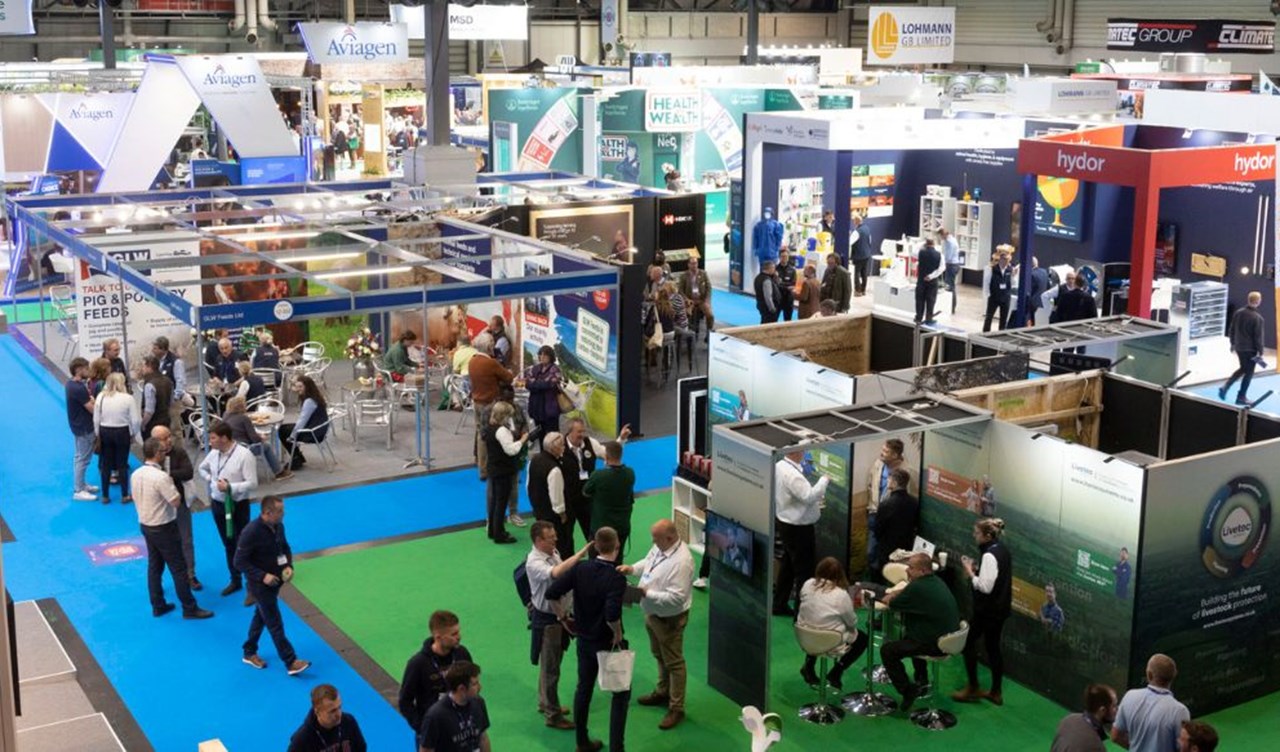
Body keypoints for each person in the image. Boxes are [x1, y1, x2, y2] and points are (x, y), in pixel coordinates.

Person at [546, 527, 629, 752]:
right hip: (607, 644)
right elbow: (612, 614)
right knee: (620, 694)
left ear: (595, 546)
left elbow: (551, 593)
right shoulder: (615, 578)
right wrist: (618, 633)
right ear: (617, 546)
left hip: (584, 641)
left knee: (584, 688)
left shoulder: (580, 569)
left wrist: (562, 617)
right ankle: (617, 749)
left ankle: (582, 742)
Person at [618, 519, 694, 730]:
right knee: (659, 655)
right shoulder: (662, 546)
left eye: (656, 538)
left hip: (669, 619)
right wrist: (632, 568)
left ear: (669, 538)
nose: (653, 541)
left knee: (674, 662)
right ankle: (663, 692)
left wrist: (646, 593)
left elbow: (677, 598)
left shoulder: (682, 562)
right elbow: (649, 561)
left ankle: (676, 707)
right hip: (652, 613)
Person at [128, 438, 214, 620]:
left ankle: (157, 604)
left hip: (146, 524)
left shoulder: (136, 474)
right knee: (179, 568)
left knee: (154, 566)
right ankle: (189, 607)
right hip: (164, 526)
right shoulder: (161, 477)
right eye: (163, 451)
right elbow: (175, 501)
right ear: (158, 454)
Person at [235, 495, 309, 675]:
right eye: (280, 511)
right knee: (275, 623)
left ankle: (249, 651)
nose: (284, 514)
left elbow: (285, 548)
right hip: (260, 585)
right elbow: (239, 562)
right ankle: (290, 661)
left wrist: (288, 566)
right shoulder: (251, 532)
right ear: (267, 513)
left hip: (276, 582)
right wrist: (262, 576)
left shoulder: (278, 526)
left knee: (261, 616)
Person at [879, 552, 961, 711]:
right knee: (910, 634)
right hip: (948, 637)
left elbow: (893, 604)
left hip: (935, 644)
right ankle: (921, 679)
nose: (907, 571)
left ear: (923, 571)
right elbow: (908, 593)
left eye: (911, 568)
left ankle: (907, 690)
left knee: (888, 651)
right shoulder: (935, 581)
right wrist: (898, 593)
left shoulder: (918, 587)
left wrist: (892, 596)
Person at [526, 521, 587, 731]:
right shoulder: (534, 562)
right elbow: (556, 574)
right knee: (551, 669)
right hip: (549, 620)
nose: (556, 539)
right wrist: (580, 555)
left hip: (557, 617)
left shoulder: (552, 551)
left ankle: (545, 702)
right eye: (551, 537)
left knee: (549, 664)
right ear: (538, 540)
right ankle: (553, 714)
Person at [953, 517, 1013, 706]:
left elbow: (985, 587)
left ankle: (973, 687)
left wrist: (970, 572)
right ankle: (996, 692)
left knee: (968, 642)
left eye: (977, 533)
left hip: (987, 611)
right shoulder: (1002, 550)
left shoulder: (988, 555)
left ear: (987, 535)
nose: (974, 536)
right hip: (1000, 610)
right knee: (993, 648)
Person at [199, 422, 259, 597]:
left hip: (238, 505)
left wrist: (231, 487)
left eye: (213, 438)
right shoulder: (214, 453)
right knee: (228, 543)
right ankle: (235, 579)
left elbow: (253, 484)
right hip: (218, 505)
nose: (210, 442)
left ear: (224, 438)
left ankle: (252, 585)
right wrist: (211, 479)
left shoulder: (244, 455)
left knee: (244, 545)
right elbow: (201, 468)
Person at [773, 448, 829, 616]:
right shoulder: (793, 475)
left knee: (788, 565)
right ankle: (801, 613)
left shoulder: (779, 466)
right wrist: (824, 480)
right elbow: (809, 496)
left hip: (786, 523)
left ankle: (779, 604)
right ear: (797, 453)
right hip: (799, 528)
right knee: (804, 572)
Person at [797, 557, 867, 691]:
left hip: (804, 636)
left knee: (815, 623)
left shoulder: (808, 583)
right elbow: (852, 622)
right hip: (829, 641)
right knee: (862, 639)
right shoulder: (841, 595)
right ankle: (836, 671)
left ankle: (809, 665)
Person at [399, 610, 474, 736]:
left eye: (458, 632)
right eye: (454, 634)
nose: (459, 636)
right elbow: (405, 701)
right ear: (438, 637)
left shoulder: (462, 654)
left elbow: (472, 685)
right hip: (434, 732)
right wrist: (422, 727)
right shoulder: (418, 663)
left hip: (461, 728)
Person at [561, 419, 631, 543]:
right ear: (569, 432)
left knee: (592, 535)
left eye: (583, 431)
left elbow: (609, 454)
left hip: (588, 498)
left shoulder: (590, 443)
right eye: (579, 431)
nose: (582, 434)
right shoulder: (560, 446)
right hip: (568, 499)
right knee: (566, 536)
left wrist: (621, 439)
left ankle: (595, 558)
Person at [151, 425, 201, 591]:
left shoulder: (178, 451)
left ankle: (190, 574)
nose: (168, 440)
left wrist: (166, 475)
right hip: (159, 506)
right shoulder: (151, 454)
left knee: (186, 540)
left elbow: (188, 472)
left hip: (178, 502)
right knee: (160, 546)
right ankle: (160, 580)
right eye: (163, 438)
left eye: (169, 436)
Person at [1111, 654, 1190, 752]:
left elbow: (1115, 736)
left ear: (1149, 674)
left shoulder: (1129, 696)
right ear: (1174, 675)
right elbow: (1185, 748)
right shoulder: (1180, 711)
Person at [468, 333, 514, 480]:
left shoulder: (472, 361)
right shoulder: (491, 363)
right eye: (492, 344)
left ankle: (478, 461)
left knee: (479, 432)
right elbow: (508, 377)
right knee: (489, 435)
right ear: (489, 346)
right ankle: (485, 469)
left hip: (476, 402)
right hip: (490, 403)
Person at [419, 662, 491, 752]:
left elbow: (483, 738)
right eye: (474, 684)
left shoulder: (478, 703)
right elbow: (426, 750)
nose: (480, 687)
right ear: (461, 688)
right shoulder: (436, 716)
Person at [483, 401, 527, 544]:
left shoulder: (490, 427)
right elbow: (511, 450)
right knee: (501, 503)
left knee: (495, 501)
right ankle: (499, 534)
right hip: (503, 470)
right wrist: (522, 440)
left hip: (494, 468)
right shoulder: (502, 431)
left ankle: (492, 530)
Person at [93, 372, 140, 505]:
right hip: (122, 431)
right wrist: (133, 434)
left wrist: (98, 435)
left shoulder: (101, 397)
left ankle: (105, 495)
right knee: (122, 464)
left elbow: (96, 419)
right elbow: (135, 420)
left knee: (106, 464)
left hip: (104, 431)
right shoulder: (128, 398)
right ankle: (125, 494)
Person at [528, 432, 574, 560]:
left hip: (539, 509)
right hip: (553, 516)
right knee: (562, 543)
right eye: (561, 446)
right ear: (553, 448)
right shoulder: (554, 469)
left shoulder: (534, 460)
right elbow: (556, 495)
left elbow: (528, 485)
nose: (564, 448)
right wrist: (562, 514)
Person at [222, 396, 291, 480]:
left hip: (229, 447)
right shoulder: (244, 419)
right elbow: (254, 439)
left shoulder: (225, 415)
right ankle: (279, 472)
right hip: (243, 448)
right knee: (266, 447)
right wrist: (261, 438)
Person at [584, 441, 636, 553]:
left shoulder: (598, 475)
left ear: (606, 456)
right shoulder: (630, 473)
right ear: (621, 454)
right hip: (622, 525)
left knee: (596, 557)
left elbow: (586, 492)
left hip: (601, 527)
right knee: (618, 556)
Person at [287, 684, 368, 752]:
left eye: (339, 707)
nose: (339, 714)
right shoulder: (302, 739)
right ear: (318, 712)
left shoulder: (349, 722)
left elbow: (361, 748)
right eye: (332, 711)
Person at [866, 438, 905, 574]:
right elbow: (870, 485)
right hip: (874, 514)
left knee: (887, 556)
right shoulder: (878, 464)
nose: (881, 453)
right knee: (871, 553)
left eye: (885, 451)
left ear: (895, 455)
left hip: (891, 522)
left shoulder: (906, 472)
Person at [1220, 291, 1265, 405]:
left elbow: (1231, 329)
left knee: (1243, 369)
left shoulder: (1238, 313)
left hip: (1239, 347)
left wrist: (1233, 343)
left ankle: (1226, 386)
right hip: (1250, 350)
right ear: (1258, 301)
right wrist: (1261, 352)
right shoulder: (1258, 318)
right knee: (1248, 373)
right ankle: (1241, 396)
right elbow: (1258, 337)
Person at [872, 468, 919, 576]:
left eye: (889, 479)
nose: (887, 481)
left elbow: (878, 529)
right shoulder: (914, 502)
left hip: (887, 549)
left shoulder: (886, 504)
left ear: (894, 482)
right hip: (906, 547)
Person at [65, 357, 100, 502]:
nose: (89, 371)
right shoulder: (79, 388)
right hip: (85, 428)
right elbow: (92, 409)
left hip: (78, 426)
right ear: (79, 369)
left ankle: (81, 484)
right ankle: (78, 490)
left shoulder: (71, 384)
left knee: (80, 456)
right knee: (83, 459)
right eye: (86, 368)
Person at [280, 376, 329, 471]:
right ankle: (297, 457)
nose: (297, 389)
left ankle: (296, 458)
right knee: (285, 428)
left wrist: (293, 436)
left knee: (282, 430)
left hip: (312, 433)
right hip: (320, 430)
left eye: (300, 387)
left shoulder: (309, 402)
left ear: (307, 387)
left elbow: (302, 420)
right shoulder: (317, 397)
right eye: (297, 386)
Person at [1051, 684, 1118, 752]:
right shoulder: (1096, 747)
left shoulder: (1068, 719)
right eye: (1114, 706)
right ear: (1102, 710)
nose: (1117, 709)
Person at [521, 346, 563, 441]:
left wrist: (535, 383)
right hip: (537, 408)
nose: (542, 356)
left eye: (545, 354)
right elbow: (527, 383)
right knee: (541, 435)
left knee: (554, 436)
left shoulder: (555, 369)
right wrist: (542, 383)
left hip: (550, 409)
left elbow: (551, 383)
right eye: (540, 354)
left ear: (550, 356)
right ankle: (543, 454)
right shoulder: (535, 368)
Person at [678, 255, 714, 340]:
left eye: (696, 263)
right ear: (688, 265)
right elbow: (680, 290)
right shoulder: (683, 276)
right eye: (692, 263)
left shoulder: (703, 273)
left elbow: (709, 287)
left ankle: (708, 334)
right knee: (686, 315)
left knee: (710, 315)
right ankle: (687, 334)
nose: (694, 265)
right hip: (690, 301)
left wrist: (707, 300)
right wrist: (686, 299)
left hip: (702, 300)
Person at [139, 355, 174, 438]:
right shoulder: (168, 380)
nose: (142, 369)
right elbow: (171, 402)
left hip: (153, 424)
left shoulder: (149, 385)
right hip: (166, 420)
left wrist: (143, 424)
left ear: (149, 367)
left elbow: (149, 411)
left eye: (143, 366)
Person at [983, 247, 1015, 333]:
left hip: (1005, 297)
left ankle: (1001, 333)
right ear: (1000, 259)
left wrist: (1013, 275)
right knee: (989, 317)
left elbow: (1013, 283)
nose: (1006, 262)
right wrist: (988, 294)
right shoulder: (992, 269)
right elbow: (987, 282)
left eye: (1007, 260)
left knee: (1003, 318)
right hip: (994, 296)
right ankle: (986, 333)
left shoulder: (1009, 269)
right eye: (1004, 259)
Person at [915, 237, 944, 325]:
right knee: (931, 300)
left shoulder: (920, 252)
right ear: (934, 244)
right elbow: (942, 268)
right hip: (932, 281)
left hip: (921, 280)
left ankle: (918, 317)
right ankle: (929, 318)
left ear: (925, 244)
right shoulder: (939, 255)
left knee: (920, 299)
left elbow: (912, 251)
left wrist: (921, 243)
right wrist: (931, 276)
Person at [152, 335, 187, 402]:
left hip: (171, 399)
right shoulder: (156, 360)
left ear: (163, 349)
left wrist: (176, 397)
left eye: (155, 349)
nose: (153, 350)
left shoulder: (176, 362)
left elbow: (180, 381)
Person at [850, 214, 874, 296]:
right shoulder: (867, 228)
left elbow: (850, 242)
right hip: (867, 254)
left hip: (858, 255)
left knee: (857, 273)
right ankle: (863, 290)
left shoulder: (857, 232)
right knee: (864, 273)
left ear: (856, 221)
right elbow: (870, 240)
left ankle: (858, 290)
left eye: (854, 221)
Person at [939, 227, 961, 312]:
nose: (940, 238)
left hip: (952, 266)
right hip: (952, 265)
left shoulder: (950, 243)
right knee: (950, 286)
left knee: (950, 287)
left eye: (941, 236)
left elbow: (948, 257)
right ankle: (950, 306)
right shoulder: (950, 240)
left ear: (944, 235)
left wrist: (941, 260)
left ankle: (951, 307)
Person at [754, 260, 782, 324]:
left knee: (764, 321)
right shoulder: (767, 280)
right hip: (768, 308)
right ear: (770, 268)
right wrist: (772, 308)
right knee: (769, 324)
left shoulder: (758, 277)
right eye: (773, 268)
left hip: (761, 304)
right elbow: (768, 297)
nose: (774, 270)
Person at [1028, 256, 1051, 325]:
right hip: (1042, 302)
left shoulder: (1031, 274)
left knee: (1030, 320)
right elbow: (1048, 286)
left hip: (1032, 302)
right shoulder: (1044, 272)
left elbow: (1029, 289)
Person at [776, 249, 797, 322]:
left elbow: (793, 284)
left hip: (788, 299)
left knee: (788, 321)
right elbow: (776, 284)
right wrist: (787, 286)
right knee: (773, 320)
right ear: (779, 257)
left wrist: (782, 284)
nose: (784, 258)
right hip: (777, 298)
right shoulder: (775, 269)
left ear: (788, 257)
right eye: (782, 256)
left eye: (786, 256)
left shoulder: (792, 270)